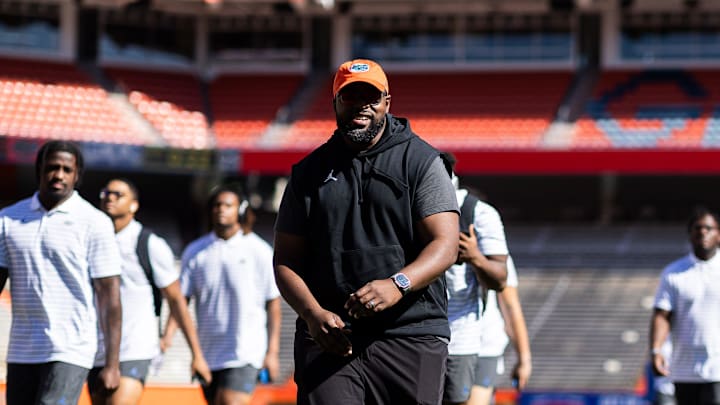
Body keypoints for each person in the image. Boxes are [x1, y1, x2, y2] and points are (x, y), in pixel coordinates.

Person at [273, 58, 459, 405]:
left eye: (371, 98)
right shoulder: (308, 173)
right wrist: (312, 316)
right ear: (335, 103)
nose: (362, 106)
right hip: (331, 339)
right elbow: (285, 260)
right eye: (351, 97)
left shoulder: (421, 161)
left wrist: (397, 284)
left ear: (387, 102)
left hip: (411, 334)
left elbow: (445, 245)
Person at [0, 140, 122, 405]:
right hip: (22, 349)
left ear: (77, 175)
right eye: (52, 167)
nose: (59, 175)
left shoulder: (95, 222)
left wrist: (112, 363)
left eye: (67, 169)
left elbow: (110, 295)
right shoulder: (7, 219)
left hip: (71, 348)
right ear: (39, 170)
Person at [88, 178, 211, 404]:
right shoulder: (91, 240)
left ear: (134, 205)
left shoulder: (149, 244)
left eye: (118, 194)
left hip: (134, 347)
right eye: (106, 193)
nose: (110, 198)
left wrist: (197, 354)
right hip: (95, 349)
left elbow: (176, 299)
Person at [164, 185, 281, 405]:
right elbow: (181, 299)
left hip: (245, 351)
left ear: (241, 210)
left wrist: (272, 352)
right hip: (208, 353)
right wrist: (168, 335)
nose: (221, 210)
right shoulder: (195, 251)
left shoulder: (259, 250)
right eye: (217, 205)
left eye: (228, 205)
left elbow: (273, 305)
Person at [439, 153, 512, 405]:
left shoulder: (478, 214)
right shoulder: (405, 209)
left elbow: (503, 284)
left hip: (459, 337)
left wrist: (475, 257)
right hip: (410, 334)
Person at [650, 207, 720, 405]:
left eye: (709, 228)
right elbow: (662, 315)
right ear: (690, 234)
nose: (703, 233)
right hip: (684, 369)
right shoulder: (674, 273)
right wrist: (656, 350)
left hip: (717, 368)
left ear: (719, 234)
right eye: (698, 228)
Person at [475, 256, 532, 405]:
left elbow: (511, 307)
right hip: (442, 344)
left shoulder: (495, 250)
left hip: (483, 347)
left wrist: (524, 360)